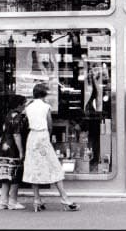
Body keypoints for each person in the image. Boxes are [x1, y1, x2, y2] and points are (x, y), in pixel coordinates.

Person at [22, 83, 80, 212]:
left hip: (32, 137)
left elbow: (26, 120)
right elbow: (49, 124)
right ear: (44, 94)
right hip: (42, 136)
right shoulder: (46, 107)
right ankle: (64, 198)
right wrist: (49, 137)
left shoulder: (28, 107)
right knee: (54, 166)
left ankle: (37, 199)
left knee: (34, 167)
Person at [0, 94, 28, 210]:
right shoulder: (18, 117)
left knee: (6, 175)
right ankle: (13, 201)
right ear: (19, 105)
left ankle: (3, 201)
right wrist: (21, 151)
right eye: (23, 103)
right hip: (12, 149)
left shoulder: (8, 115)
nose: (24, 106)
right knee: (15, 175)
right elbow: (17, 134)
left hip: (3, 147)